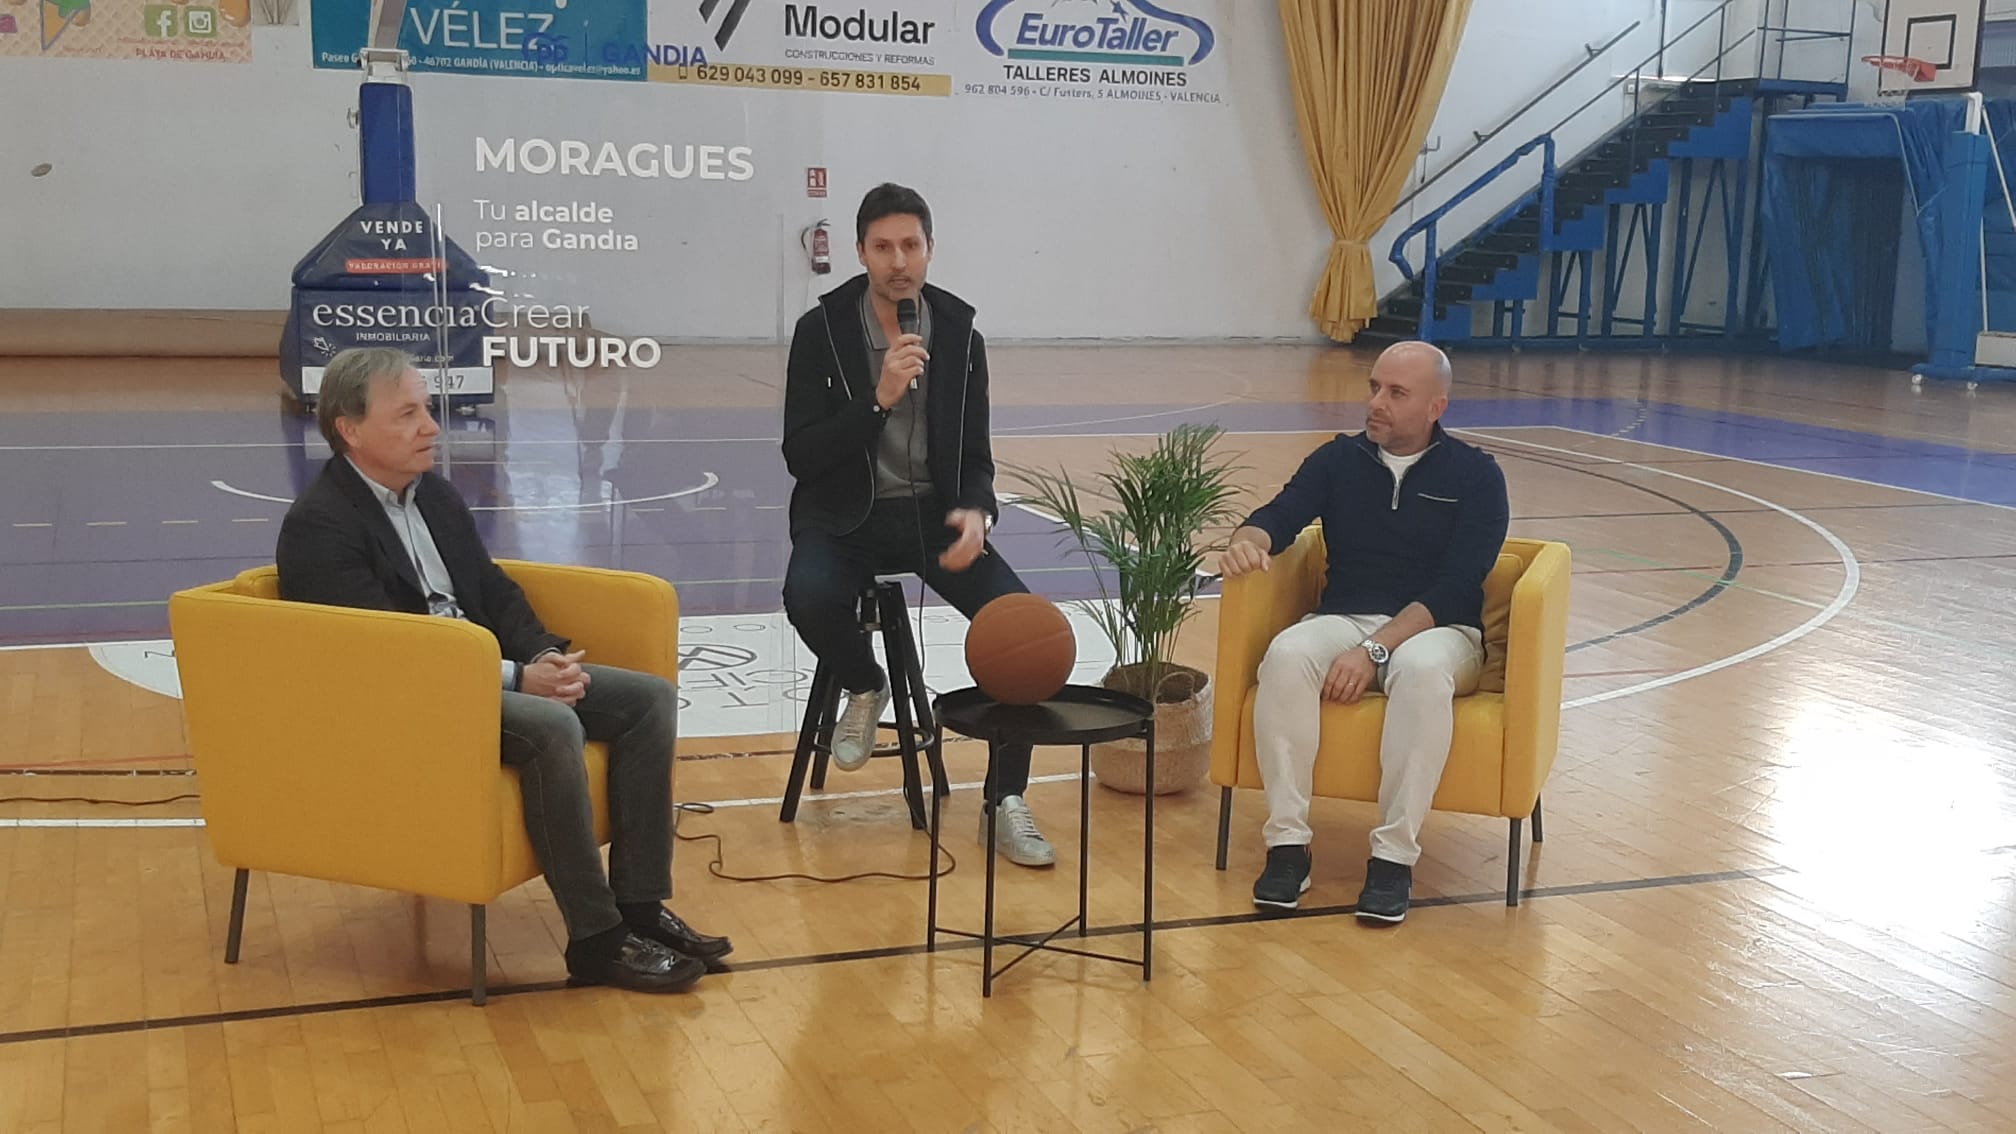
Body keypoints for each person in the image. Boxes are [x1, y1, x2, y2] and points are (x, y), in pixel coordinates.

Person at [276, 347, 731, 992]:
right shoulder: (320, 525)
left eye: (427, 410)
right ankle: (596, 938)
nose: (431, 427)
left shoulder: (431, 495)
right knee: (550, 726)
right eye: (407, 414)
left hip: (481, 671)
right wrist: (519, 679)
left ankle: (639, 907)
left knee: (648, 700)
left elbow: (492, 591)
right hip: (408, 697)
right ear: (349, 429)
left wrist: (543, 653)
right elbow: (391, 653)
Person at [780, 183, 1055, 868]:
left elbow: (978, 455)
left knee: (1022, 634)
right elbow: (801, 453)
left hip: (932, 519)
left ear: (930, 249)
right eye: (882, 247)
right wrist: (876, 402)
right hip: (845, 516)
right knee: (807, 595)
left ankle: (1006, 801)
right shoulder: (823, 330)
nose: (897, 261)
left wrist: (977, 511)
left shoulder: (961, 335)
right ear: (860, 252)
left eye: (910, 245)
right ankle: (865, 683)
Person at [1219, 340, 1510, 923]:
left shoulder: (1477, 477)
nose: (1376, 402)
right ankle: (1287, 846)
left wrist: (1374, 650)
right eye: (1374, 387)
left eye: (1396, 393)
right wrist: (1248, 538)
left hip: (1441, 629)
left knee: (1422, 671)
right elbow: (1282, 514)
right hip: (1345, 615)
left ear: (1436, 407)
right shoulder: (1337, 460)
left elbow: (1458, 584)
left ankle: (1394, 859)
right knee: (1285, 654)